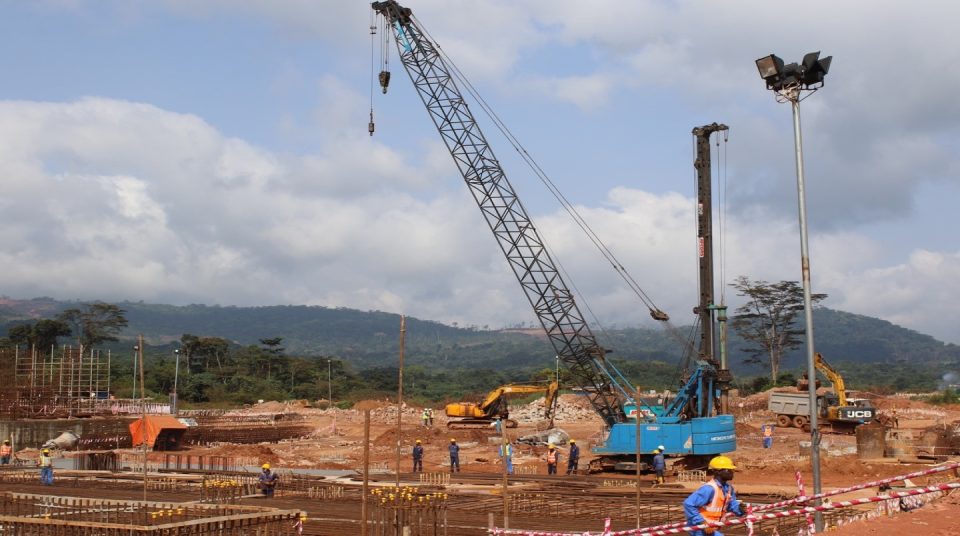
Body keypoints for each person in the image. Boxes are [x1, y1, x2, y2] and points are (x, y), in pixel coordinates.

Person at [683, 455, 745, 536]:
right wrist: (703, 523)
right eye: (728, 470)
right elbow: (688, 504)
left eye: (732, 469)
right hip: (699, 528)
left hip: (713, 527)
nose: (731, 472)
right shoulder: (709, 489)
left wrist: (740, 509)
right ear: (717, 472)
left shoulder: (729, 488)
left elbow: (730, 504)